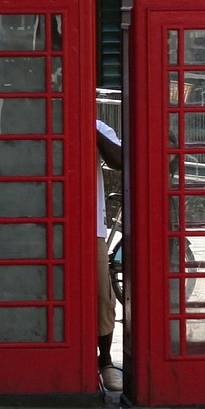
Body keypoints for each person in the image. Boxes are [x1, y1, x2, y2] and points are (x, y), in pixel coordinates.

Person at [96, 118, 123, 392]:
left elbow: (119, 160)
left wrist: (87, 126)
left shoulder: (99, 127)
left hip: (90, 225)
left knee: (103, 294)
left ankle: (105, 360)